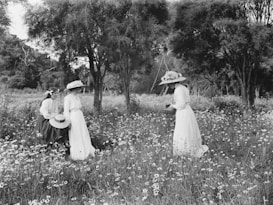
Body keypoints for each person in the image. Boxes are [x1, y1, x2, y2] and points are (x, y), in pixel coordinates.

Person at [159, 71, 208, 158]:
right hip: (187, 111)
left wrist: (171, 105)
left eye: (168, 84)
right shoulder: (182, 88)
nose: (167, 86)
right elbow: (184, 101)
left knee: (183, 131)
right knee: (187, 130)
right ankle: (187, 151)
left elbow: (181, 104)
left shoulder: (178, 90)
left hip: (183, 113)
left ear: (172, 83)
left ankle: (185, 152)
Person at [63, 80, 96, 160]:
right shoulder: (68, 98)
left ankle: (86, 150)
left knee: (82, 132)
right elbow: (66, 110)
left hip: (79, 116)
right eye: (79, 88)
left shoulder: (77, 97)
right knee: (76, 133)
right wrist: (68, 121)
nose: (80, 90)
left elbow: (79, 107)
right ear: (74, 89)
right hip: (73, 117)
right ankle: (78, 152)